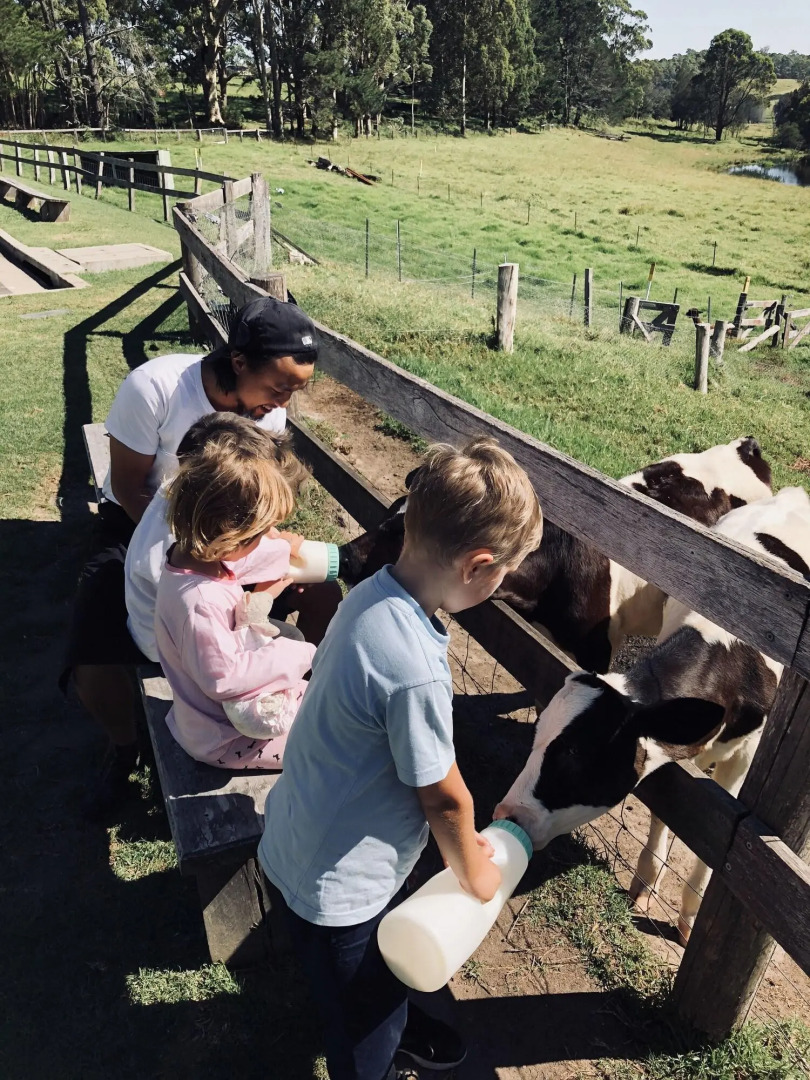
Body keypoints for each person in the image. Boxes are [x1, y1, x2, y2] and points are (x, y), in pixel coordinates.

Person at [258, 437, 544, 1080]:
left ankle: (391, 1022)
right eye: (506, 572)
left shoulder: (372, 594)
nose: (502, 585)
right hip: (344, 887)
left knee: (346, 979)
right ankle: (380, 1057)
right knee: (365, 1021)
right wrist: (477, 873)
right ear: (477, 565)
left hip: (299, 836)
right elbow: (442, 795)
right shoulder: (415, 668)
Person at [62, 295, 335, 818]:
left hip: (223, 536)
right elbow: (127, 487)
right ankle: (124, 750)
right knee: (92, 646)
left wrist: (254, 556)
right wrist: (206, 563)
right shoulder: (156, 387)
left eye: (295, 393)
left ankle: (302, 693)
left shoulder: (267, 417)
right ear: (238, 363)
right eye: (279, 388)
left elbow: (253, 498)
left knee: (318, 586)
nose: (282, 406)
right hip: (141, 521)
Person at [155, 433, 316, 769]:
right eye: (259, 535)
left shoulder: (190, 561)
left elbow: (239, 568)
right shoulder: (200, 602)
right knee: (331, 738)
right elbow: (224, 678)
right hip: (226, 738)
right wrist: (298, 654)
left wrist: (282, 557)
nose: (263, 542)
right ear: (229, 535)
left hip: (207, 716)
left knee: (324, 702)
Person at [125, 414, 309, 664]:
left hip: (156, 627)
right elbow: (222, 669)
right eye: (260, 526)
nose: (268, 531)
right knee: (293, 638)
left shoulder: (181, 505)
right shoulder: (191, 568)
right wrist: (282, 552)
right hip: (167, 648)